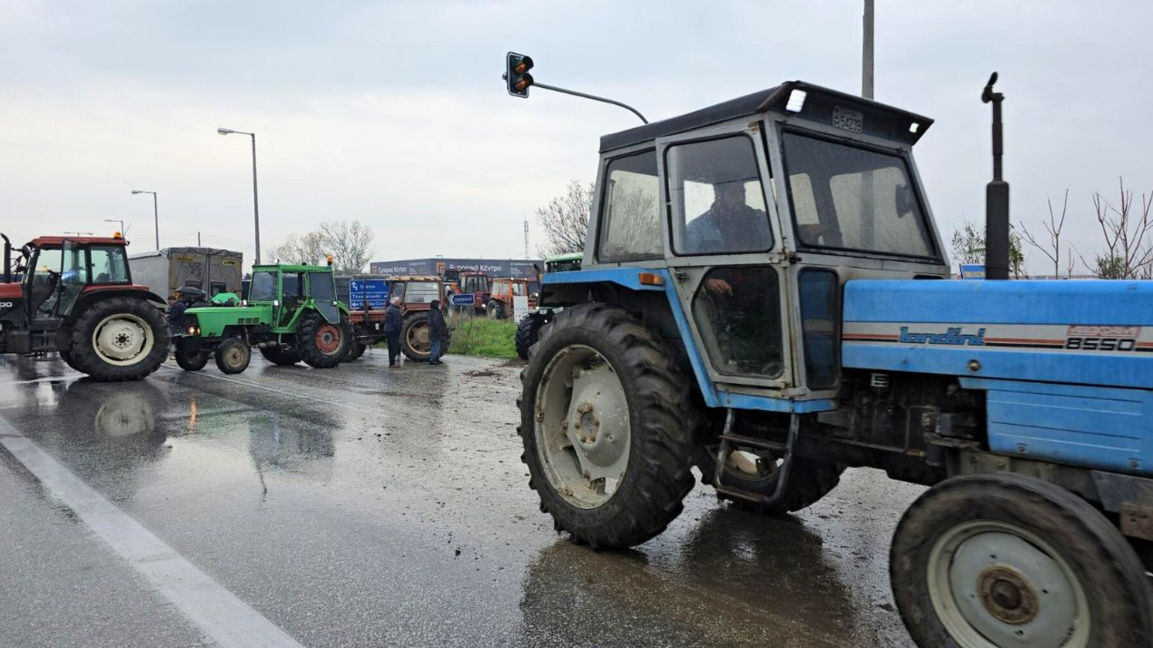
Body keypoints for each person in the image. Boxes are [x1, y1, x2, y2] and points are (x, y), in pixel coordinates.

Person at [427, 299, 450, 365]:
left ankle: (436, 359)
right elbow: (437, 322)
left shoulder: (432, 311)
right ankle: (433, 359)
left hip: (434, 332)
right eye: (439, 304)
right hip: (436, 332)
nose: (440, 305)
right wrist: (440, 331)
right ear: (436, 305)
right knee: (435, 346)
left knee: (437, 345)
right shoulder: (436, 312)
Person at [383, 295, 404, 367]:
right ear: (396, 302)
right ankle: (392, 363)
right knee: (393, 347)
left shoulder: (389, 309)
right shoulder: (395, 311)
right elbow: (396, 323)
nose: (400, 303)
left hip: (388, 330)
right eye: (399, 302)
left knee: (391, 347)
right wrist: (399, 330)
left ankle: (392, 362)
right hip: (393, 331)